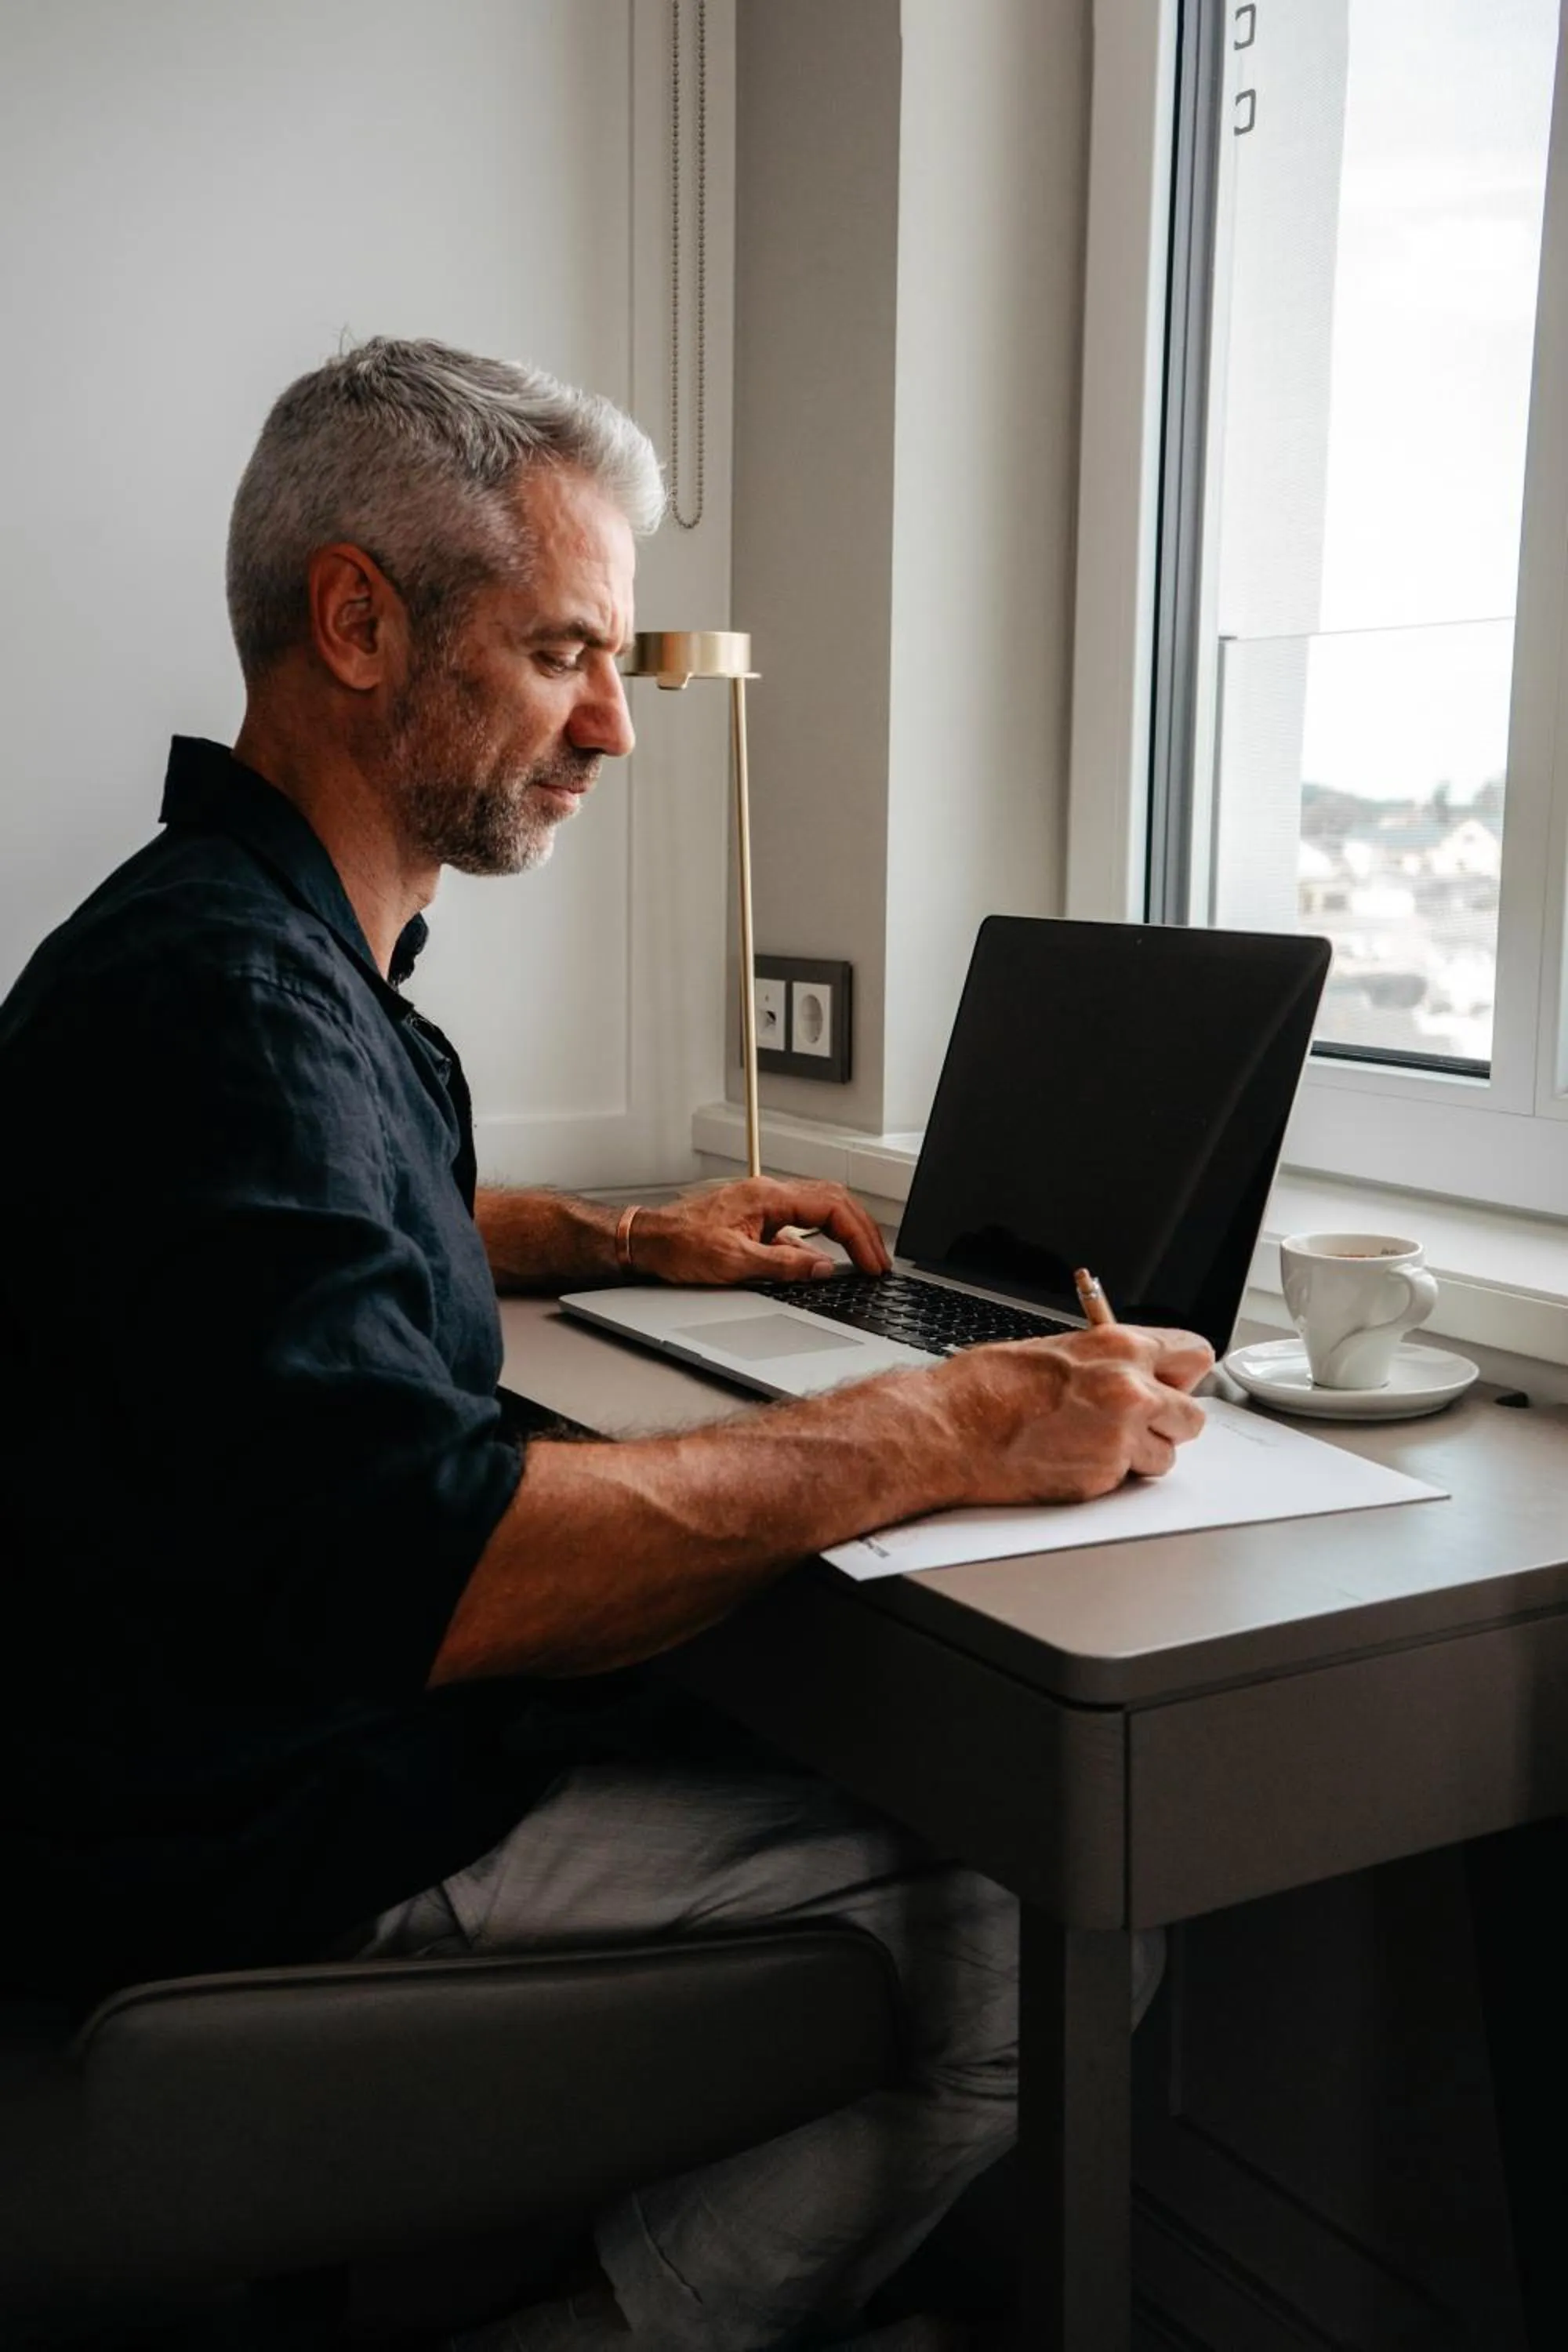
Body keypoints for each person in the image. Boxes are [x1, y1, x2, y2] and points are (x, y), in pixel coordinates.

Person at [0, 339, 1212, 2350]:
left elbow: (266, 1249)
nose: (613, 730)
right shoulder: (236, 1007)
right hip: (235, 1844)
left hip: (160, 1753)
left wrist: (620, 1235)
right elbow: (438, 1571)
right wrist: (945, 1423)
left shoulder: (234, 952)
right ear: (362, 621)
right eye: (567, 652)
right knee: (1061, 1927)